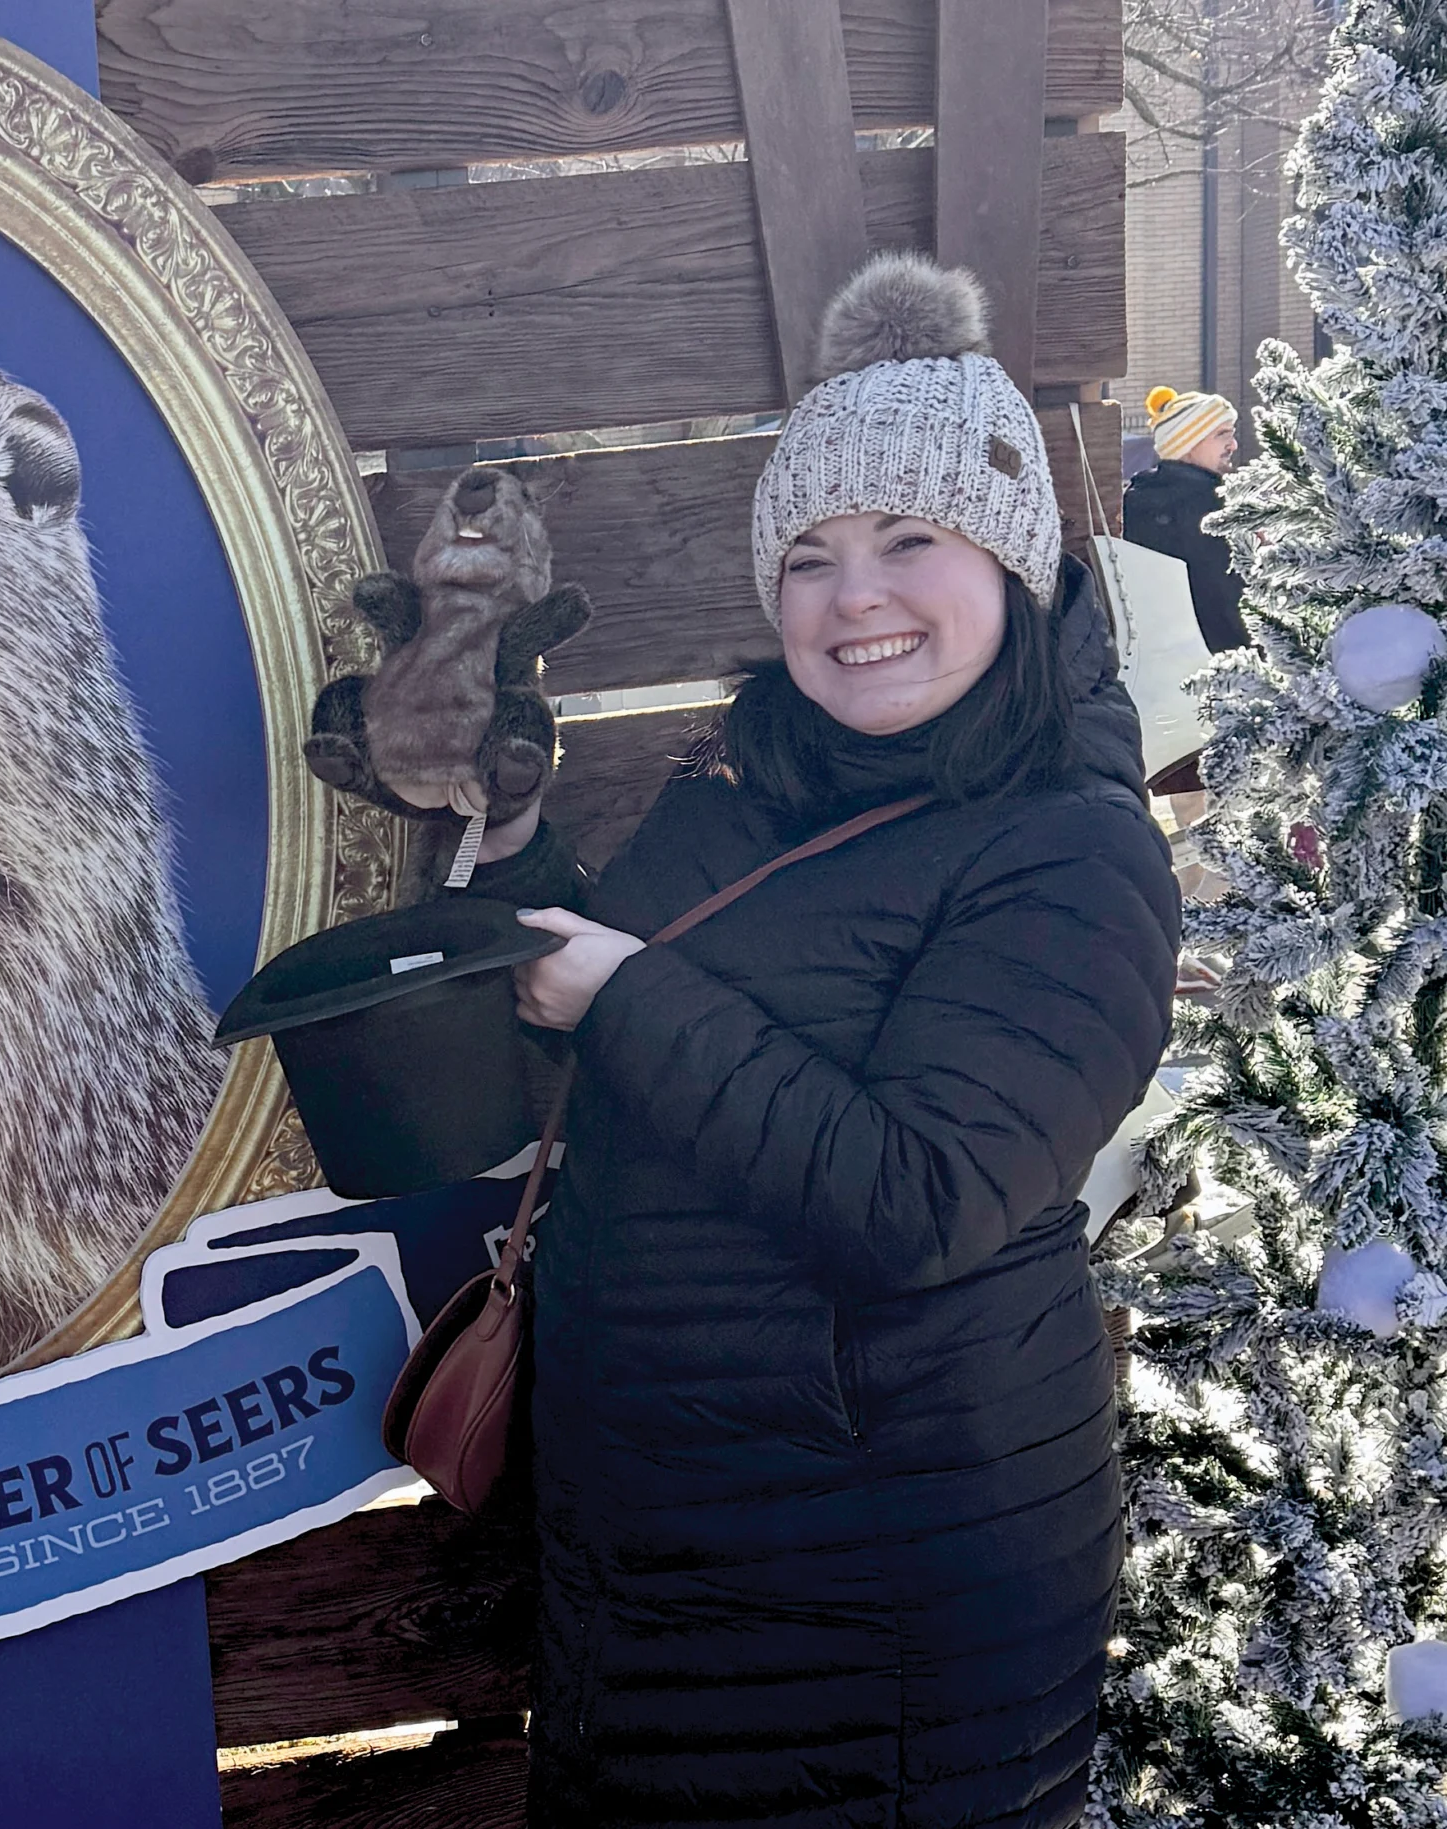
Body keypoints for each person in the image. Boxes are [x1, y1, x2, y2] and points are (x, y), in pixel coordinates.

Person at [460, 254, 1180, 1826]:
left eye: (908, 540)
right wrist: (511, 843)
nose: (855, 596)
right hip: (658, 1558)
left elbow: (919, 1196)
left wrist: (630, 999)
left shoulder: (1071, 852)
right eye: (810, 555)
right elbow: (597, 1037)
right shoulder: (737, 792)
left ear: (1012, 559)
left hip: (882, 1596)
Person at [1124, 385, 1248, 653]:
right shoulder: (1214, 508)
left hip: (1159, 662)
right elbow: (1228, 601)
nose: (1233, 444)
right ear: (1188, 443)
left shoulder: (1134, 500)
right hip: (1226, 664)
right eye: (1222, 434)